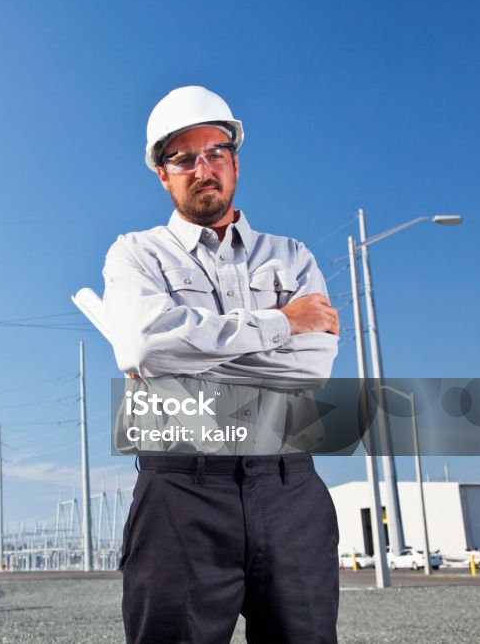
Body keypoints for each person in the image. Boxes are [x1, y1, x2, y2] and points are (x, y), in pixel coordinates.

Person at [101, 86, 341, 643]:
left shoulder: (292, 257)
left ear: (235, 161)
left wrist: (181, 364)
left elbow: (311, 369)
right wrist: (283, 322)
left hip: (289, 486)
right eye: (183, 158)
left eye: (214, 152)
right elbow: (142, 348)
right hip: (180, 491)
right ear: (162, 174)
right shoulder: (138, 254)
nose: (201, 168)